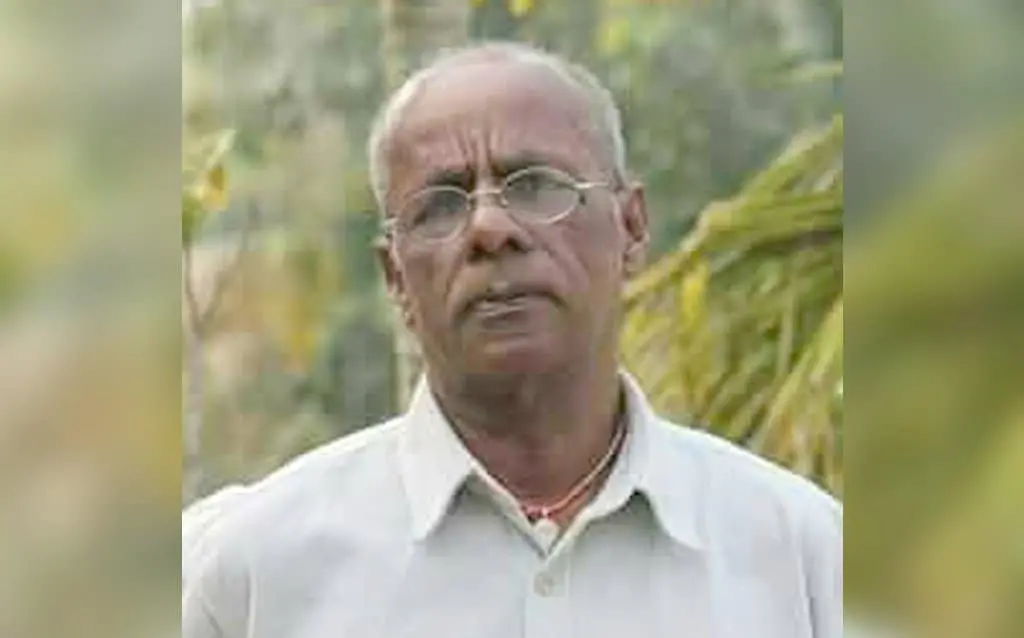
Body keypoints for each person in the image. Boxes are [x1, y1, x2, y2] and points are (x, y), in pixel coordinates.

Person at [182, 41, 842, 638]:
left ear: (632, 228)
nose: (490, 228)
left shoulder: (802, 556)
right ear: (395, 276)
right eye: (440, 204)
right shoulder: (253, 575)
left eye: (536, 186)